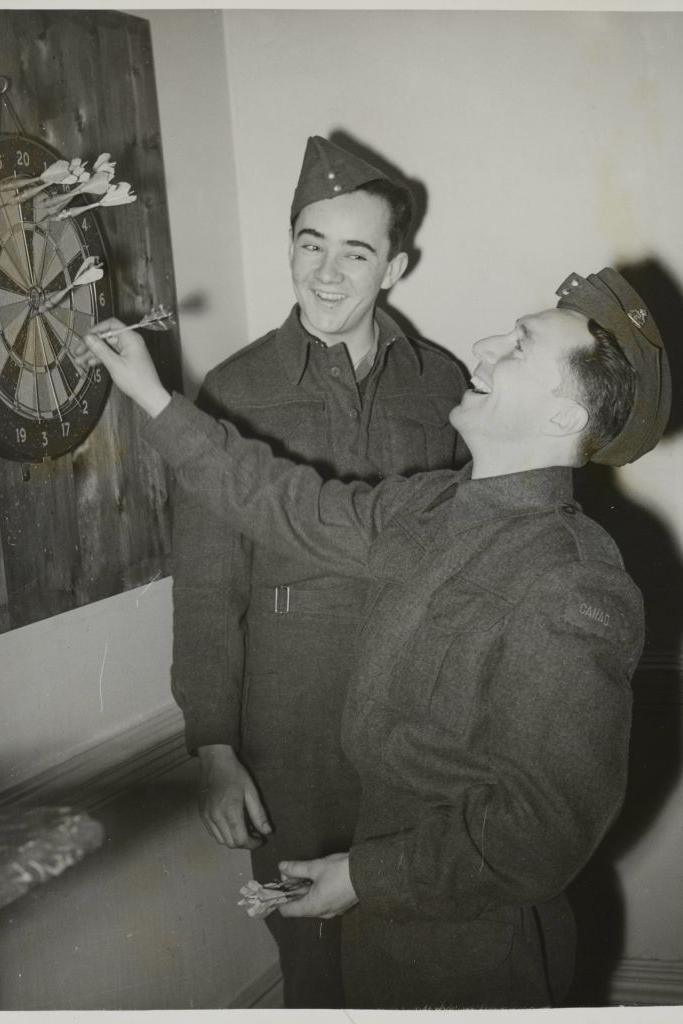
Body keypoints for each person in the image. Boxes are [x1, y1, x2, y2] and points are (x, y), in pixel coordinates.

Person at [74, 266, 672, 1009]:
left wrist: (360, 878)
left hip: (473, 952)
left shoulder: (573, 584)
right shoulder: (434, 507)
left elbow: (540, 832)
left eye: (518, 347)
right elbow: (286, 502)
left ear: (561, 417)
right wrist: (154, 399)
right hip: (386, 928)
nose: (483, 348)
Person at [167, 136, 466, 1006]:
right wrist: (215, 747)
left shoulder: (442, 383)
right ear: (289, 244)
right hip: (290, 735)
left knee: (420, 940)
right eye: (310, 243)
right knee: (311, 952)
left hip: (418, 725)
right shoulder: (234, 392)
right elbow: (206, 586)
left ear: (395, 267)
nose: (327, 274)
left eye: (356, 252)